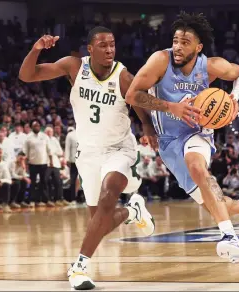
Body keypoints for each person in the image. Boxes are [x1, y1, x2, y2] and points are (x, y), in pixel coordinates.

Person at [125, 12, 239, 263]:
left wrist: (232, 99)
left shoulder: (210, 65)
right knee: (215, 202)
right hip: (168, 141)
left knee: (197, 166)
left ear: (198, 47)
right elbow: (132, 95)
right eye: (175, 40)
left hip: (197, 131)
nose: (178, 46)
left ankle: (229, 236)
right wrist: (164, 112)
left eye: (185, 42)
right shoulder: (160, 60)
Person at [19, 26, 155, 290]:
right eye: (103, 45)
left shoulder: (123, 76)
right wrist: (36, 49)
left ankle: (78, 267)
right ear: (90, 49)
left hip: (119, 149)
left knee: (107, 198)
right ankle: (132, 210)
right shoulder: (73, 66)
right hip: (89, 152)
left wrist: (148, 130)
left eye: (112, 45)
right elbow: (27, 76)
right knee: (100, 220)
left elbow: (140, 103)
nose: (109, 50)